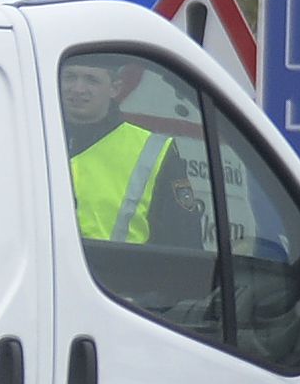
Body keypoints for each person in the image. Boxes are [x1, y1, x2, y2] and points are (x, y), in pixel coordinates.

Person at [59, 56, 202, 247]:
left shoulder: (153, 150)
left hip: (113, 274)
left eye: (91, 80)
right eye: (69, 77)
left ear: (115, 88)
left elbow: (184, 242)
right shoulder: (26, 133)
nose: (77, 89)